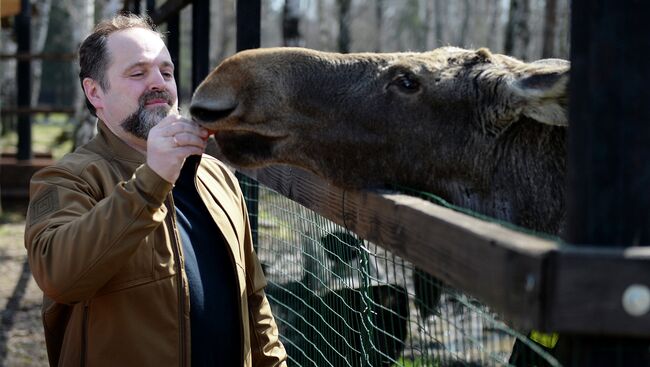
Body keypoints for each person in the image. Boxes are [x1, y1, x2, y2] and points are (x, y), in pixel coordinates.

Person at [24, 14, 287, 367]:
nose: (158, 84)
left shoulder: (217, 177)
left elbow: (253, 299)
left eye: (166, 72)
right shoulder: (66, 179)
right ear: (95, 92)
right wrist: (152, 179)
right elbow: (59, 275)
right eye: (138, 73)